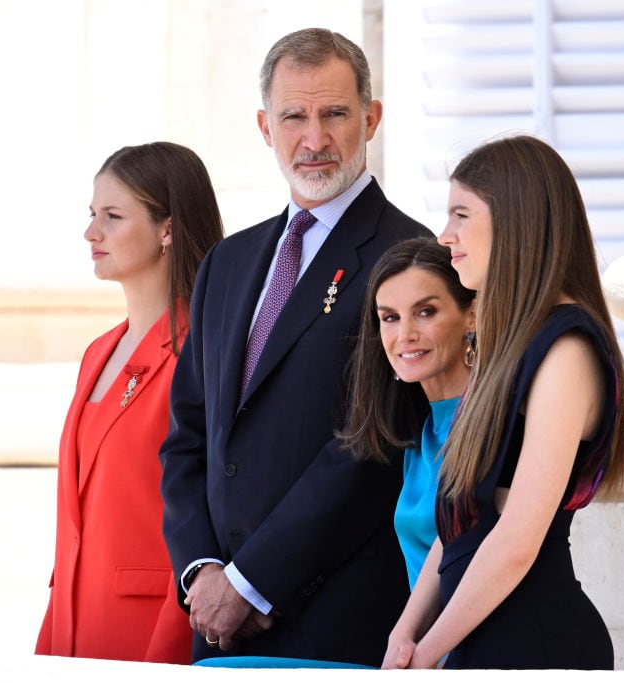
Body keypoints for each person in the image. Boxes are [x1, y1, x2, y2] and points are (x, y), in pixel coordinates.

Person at [159, 28, 433, 666]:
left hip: (336, 628)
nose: (314, 139)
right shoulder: (227, 263)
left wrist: (252, 583)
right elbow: (188, 438)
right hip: (216, 626)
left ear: (372, 118)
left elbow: (375, 443)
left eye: (334, 113)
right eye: (294, 117)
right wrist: (203, 574)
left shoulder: (410, 260)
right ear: (264, 126)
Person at [382, 134, 624, 670]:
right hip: (481, 643)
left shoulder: (566, 347)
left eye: (461, 215)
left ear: (514, 220)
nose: (445, 235)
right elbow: (461, 522)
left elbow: (518, 538)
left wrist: (428, 653)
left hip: (535, 647)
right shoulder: (512, 344)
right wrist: (405, 634)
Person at [36, 142, 224, 663]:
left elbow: (208, 511)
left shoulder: (204, 350)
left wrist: (168, 653)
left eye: (113, 217)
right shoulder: (97, 352)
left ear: (168, 228)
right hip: (76, 622)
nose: (91, 233)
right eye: (92, 215)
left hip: (153, 630)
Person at [339, 237, 475, 588]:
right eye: (390, 318)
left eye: (425, 312)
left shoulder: (487, 422)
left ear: (471, 316)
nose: (405, 335)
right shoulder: (421, 432)